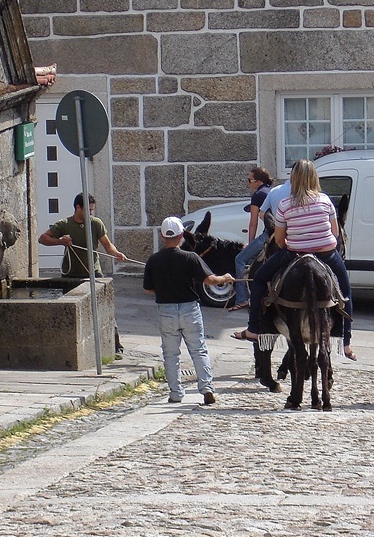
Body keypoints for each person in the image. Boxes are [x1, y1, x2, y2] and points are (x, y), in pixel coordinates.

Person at [232, 159, 356, 361]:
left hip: (295, 252)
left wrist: (297, 242)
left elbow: (280, 240)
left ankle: (254, 328)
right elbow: (335, 232)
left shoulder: (285, 204)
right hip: (326, 253)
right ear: (314, 178)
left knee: (260, 278)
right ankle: (346, 342)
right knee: (345, 291)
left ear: (294, 179)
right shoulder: (325, 201)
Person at [143, 216, 235, 405]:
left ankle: (175, 393)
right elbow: (210, 280)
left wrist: (164, 287)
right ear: (181, 236)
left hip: (166, 310)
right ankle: (206, 388)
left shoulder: (154, 260)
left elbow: (148, 289)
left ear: (162, 236)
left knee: (171, 354)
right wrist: (224, 278)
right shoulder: (190, 257)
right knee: (198, 350)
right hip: (189, 309)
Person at [39, 193, 129, 353]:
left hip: (93, 273)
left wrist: (117, 254)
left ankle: (115, 346)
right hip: (71, 275)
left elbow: (107, 245)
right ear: (78, 208)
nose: (91, 213)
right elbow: (43, 239)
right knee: (70, 313)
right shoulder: (64, 224)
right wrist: (61, 242)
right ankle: (70, 348)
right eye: (88, 210)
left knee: (104, 309)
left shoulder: (96, 224)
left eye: (92, 210)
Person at [230, 167, 273, 311]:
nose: (248, 183)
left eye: (250, 180)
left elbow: (253, 223)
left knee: (240, 259)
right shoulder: (272, 191)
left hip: (268, 234)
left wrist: (250, 243)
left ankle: (242, 299)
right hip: (279, 232)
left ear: (258, 181)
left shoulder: (257, 195)